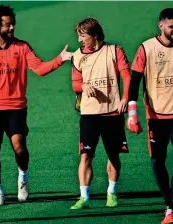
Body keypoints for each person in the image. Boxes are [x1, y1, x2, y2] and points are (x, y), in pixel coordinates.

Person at [0, 4, 73, 206]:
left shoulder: (22, 47)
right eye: (7, 25)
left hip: (15, 108)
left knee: (19, 147)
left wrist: (60, 59)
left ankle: (23, 177)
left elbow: (39, 68)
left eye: (13, 24)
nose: (12, 28)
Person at [126, 8, 173, 223]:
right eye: (171, 26)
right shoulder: (147, 48)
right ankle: (169, 204)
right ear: (161, 26)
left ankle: (171, 209)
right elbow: (134, 81)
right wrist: (132, 114)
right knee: (157, 162)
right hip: (156, 116)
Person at [70, 17, 131, 209]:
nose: (79, 40)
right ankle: (84, 197)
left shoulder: (114, 50)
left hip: (112, 112)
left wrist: (125, 99)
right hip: (89, 114)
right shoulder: (78, 56)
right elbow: (74, 83)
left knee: (113, 155)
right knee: (85, 156)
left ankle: (111, 193)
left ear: (94, 35)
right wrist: (83, 85)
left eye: (83, 36)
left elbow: (126, 76)